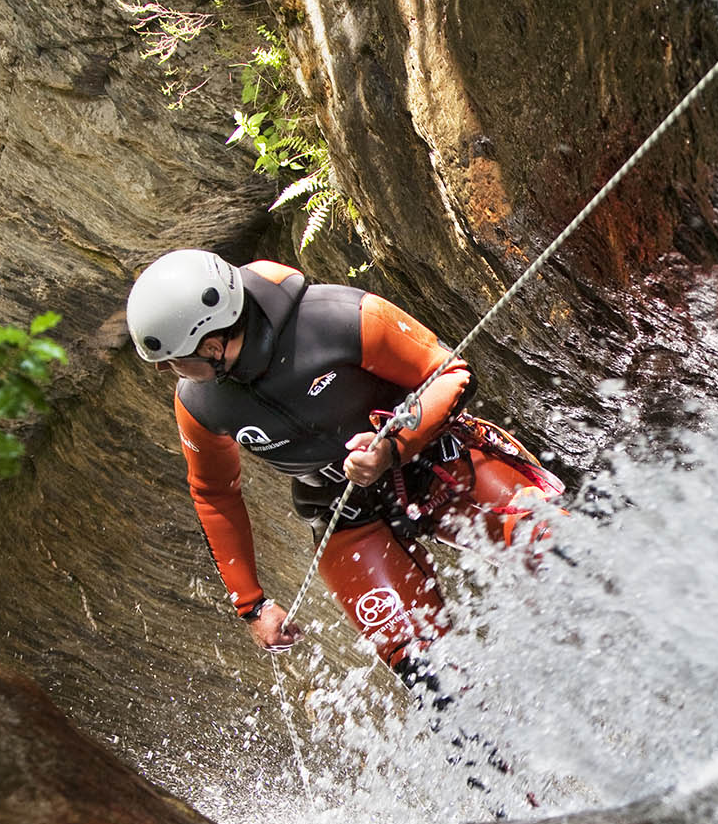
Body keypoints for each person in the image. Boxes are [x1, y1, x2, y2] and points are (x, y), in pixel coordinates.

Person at [125, 249, 563, 697]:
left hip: (437, 459)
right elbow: (214, 494)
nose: (165, 371)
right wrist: (252, 606)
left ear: (213, 345)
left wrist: (393, 447)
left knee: (558, 549)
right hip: (345, 513)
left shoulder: (335, 317)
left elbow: (449, 373)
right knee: (432, 681)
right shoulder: (199, 403)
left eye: (172, 359)